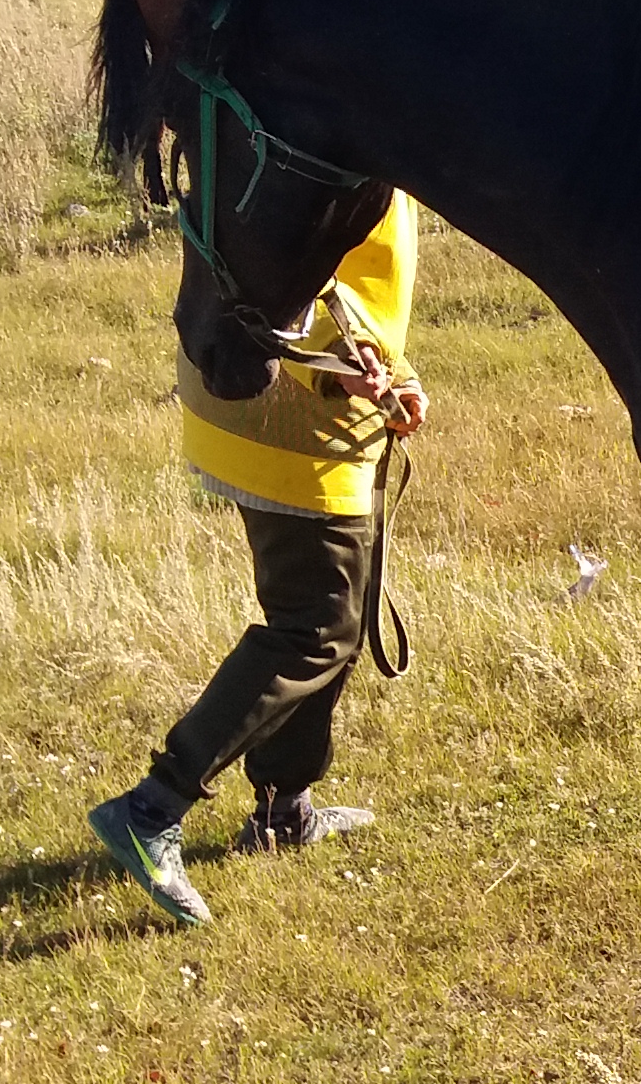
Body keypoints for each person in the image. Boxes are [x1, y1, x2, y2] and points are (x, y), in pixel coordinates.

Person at [88, 190, 428, 925]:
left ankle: (282, 808)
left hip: (308, 415)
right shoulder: (335, 140)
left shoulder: (357, 135)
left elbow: (339, 284)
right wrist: (334, 374)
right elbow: (279, 269)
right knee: (317, 627)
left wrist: (391, 374)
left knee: (328, 616)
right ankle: (152, 808)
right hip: (296, 425)